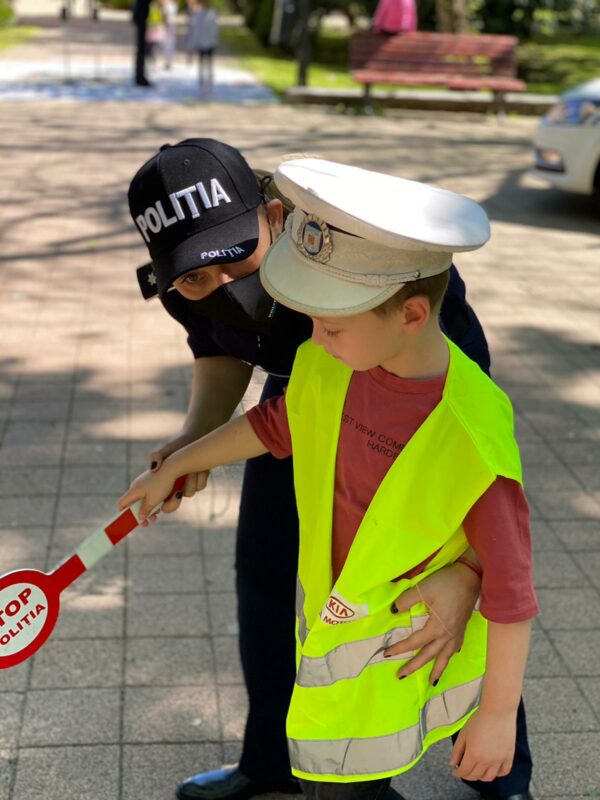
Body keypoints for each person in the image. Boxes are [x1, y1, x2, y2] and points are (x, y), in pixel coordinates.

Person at [120, 158, 539, 800]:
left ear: (276, 219)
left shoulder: (462, 417)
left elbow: (508, 576)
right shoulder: (327, 357)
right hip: (333, 441)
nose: (308, 340)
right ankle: (276, 763)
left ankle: (502, 777)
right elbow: (274, 414)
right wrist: (184, 456)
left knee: (449, 664)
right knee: (272, 587)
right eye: (197, 277)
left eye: (327, 324)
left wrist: (474, 591)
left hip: (414, 565)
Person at [187, 0, 219, 91]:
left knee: (209, 62)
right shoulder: (198, 14)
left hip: (210, 42)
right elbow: (195, 30)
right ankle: (201, 80)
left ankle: (210, 79)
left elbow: (215, 29)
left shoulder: (213, 14)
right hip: (201, 43)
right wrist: (192, 44)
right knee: (201, 62)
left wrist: (215, 41)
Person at [132, 0, 152, 87]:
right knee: (141, 49)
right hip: (141, 17)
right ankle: (140, 76)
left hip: (141, 16)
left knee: (142, 49)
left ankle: (140, 75)